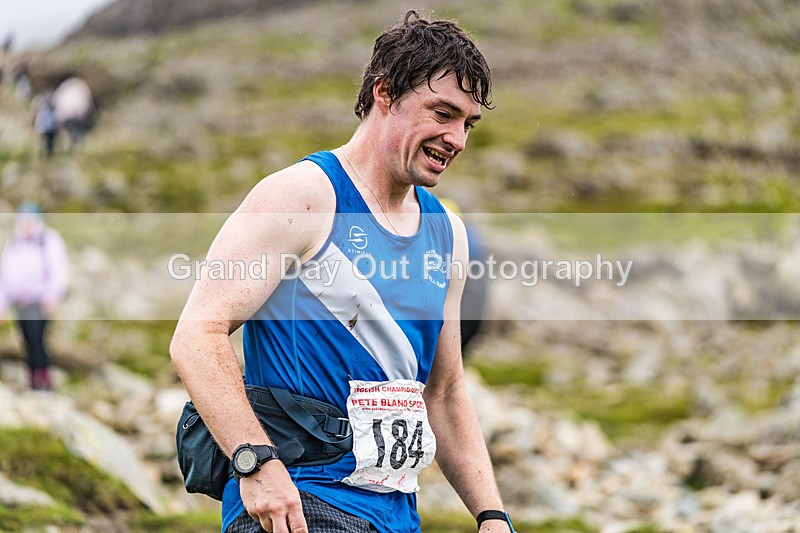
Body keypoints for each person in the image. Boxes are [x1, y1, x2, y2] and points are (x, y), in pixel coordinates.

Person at [171, 10, 514, 533]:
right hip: (300, 502)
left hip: (396, 513)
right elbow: (197, 333)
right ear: (385, 92)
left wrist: (491, 515)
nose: (457, 139)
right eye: (442, 113)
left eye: (468, 123)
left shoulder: (448, 234)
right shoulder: (302, 196)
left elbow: (443, 393)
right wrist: (255, 463)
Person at [0, 204, 70, 390]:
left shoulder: (48, 239)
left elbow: (58, 269)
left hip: (39, 301)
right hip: (19, 303)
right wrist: (2, 306)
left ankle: (43, 381)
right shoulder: (13, 244)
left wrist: (53, 295)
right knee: (26, 340)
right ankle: (33, 380)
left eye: (30, 220)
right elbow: (4, 277)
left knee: (36, 339)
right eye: (23, 221)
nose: (26, 225)